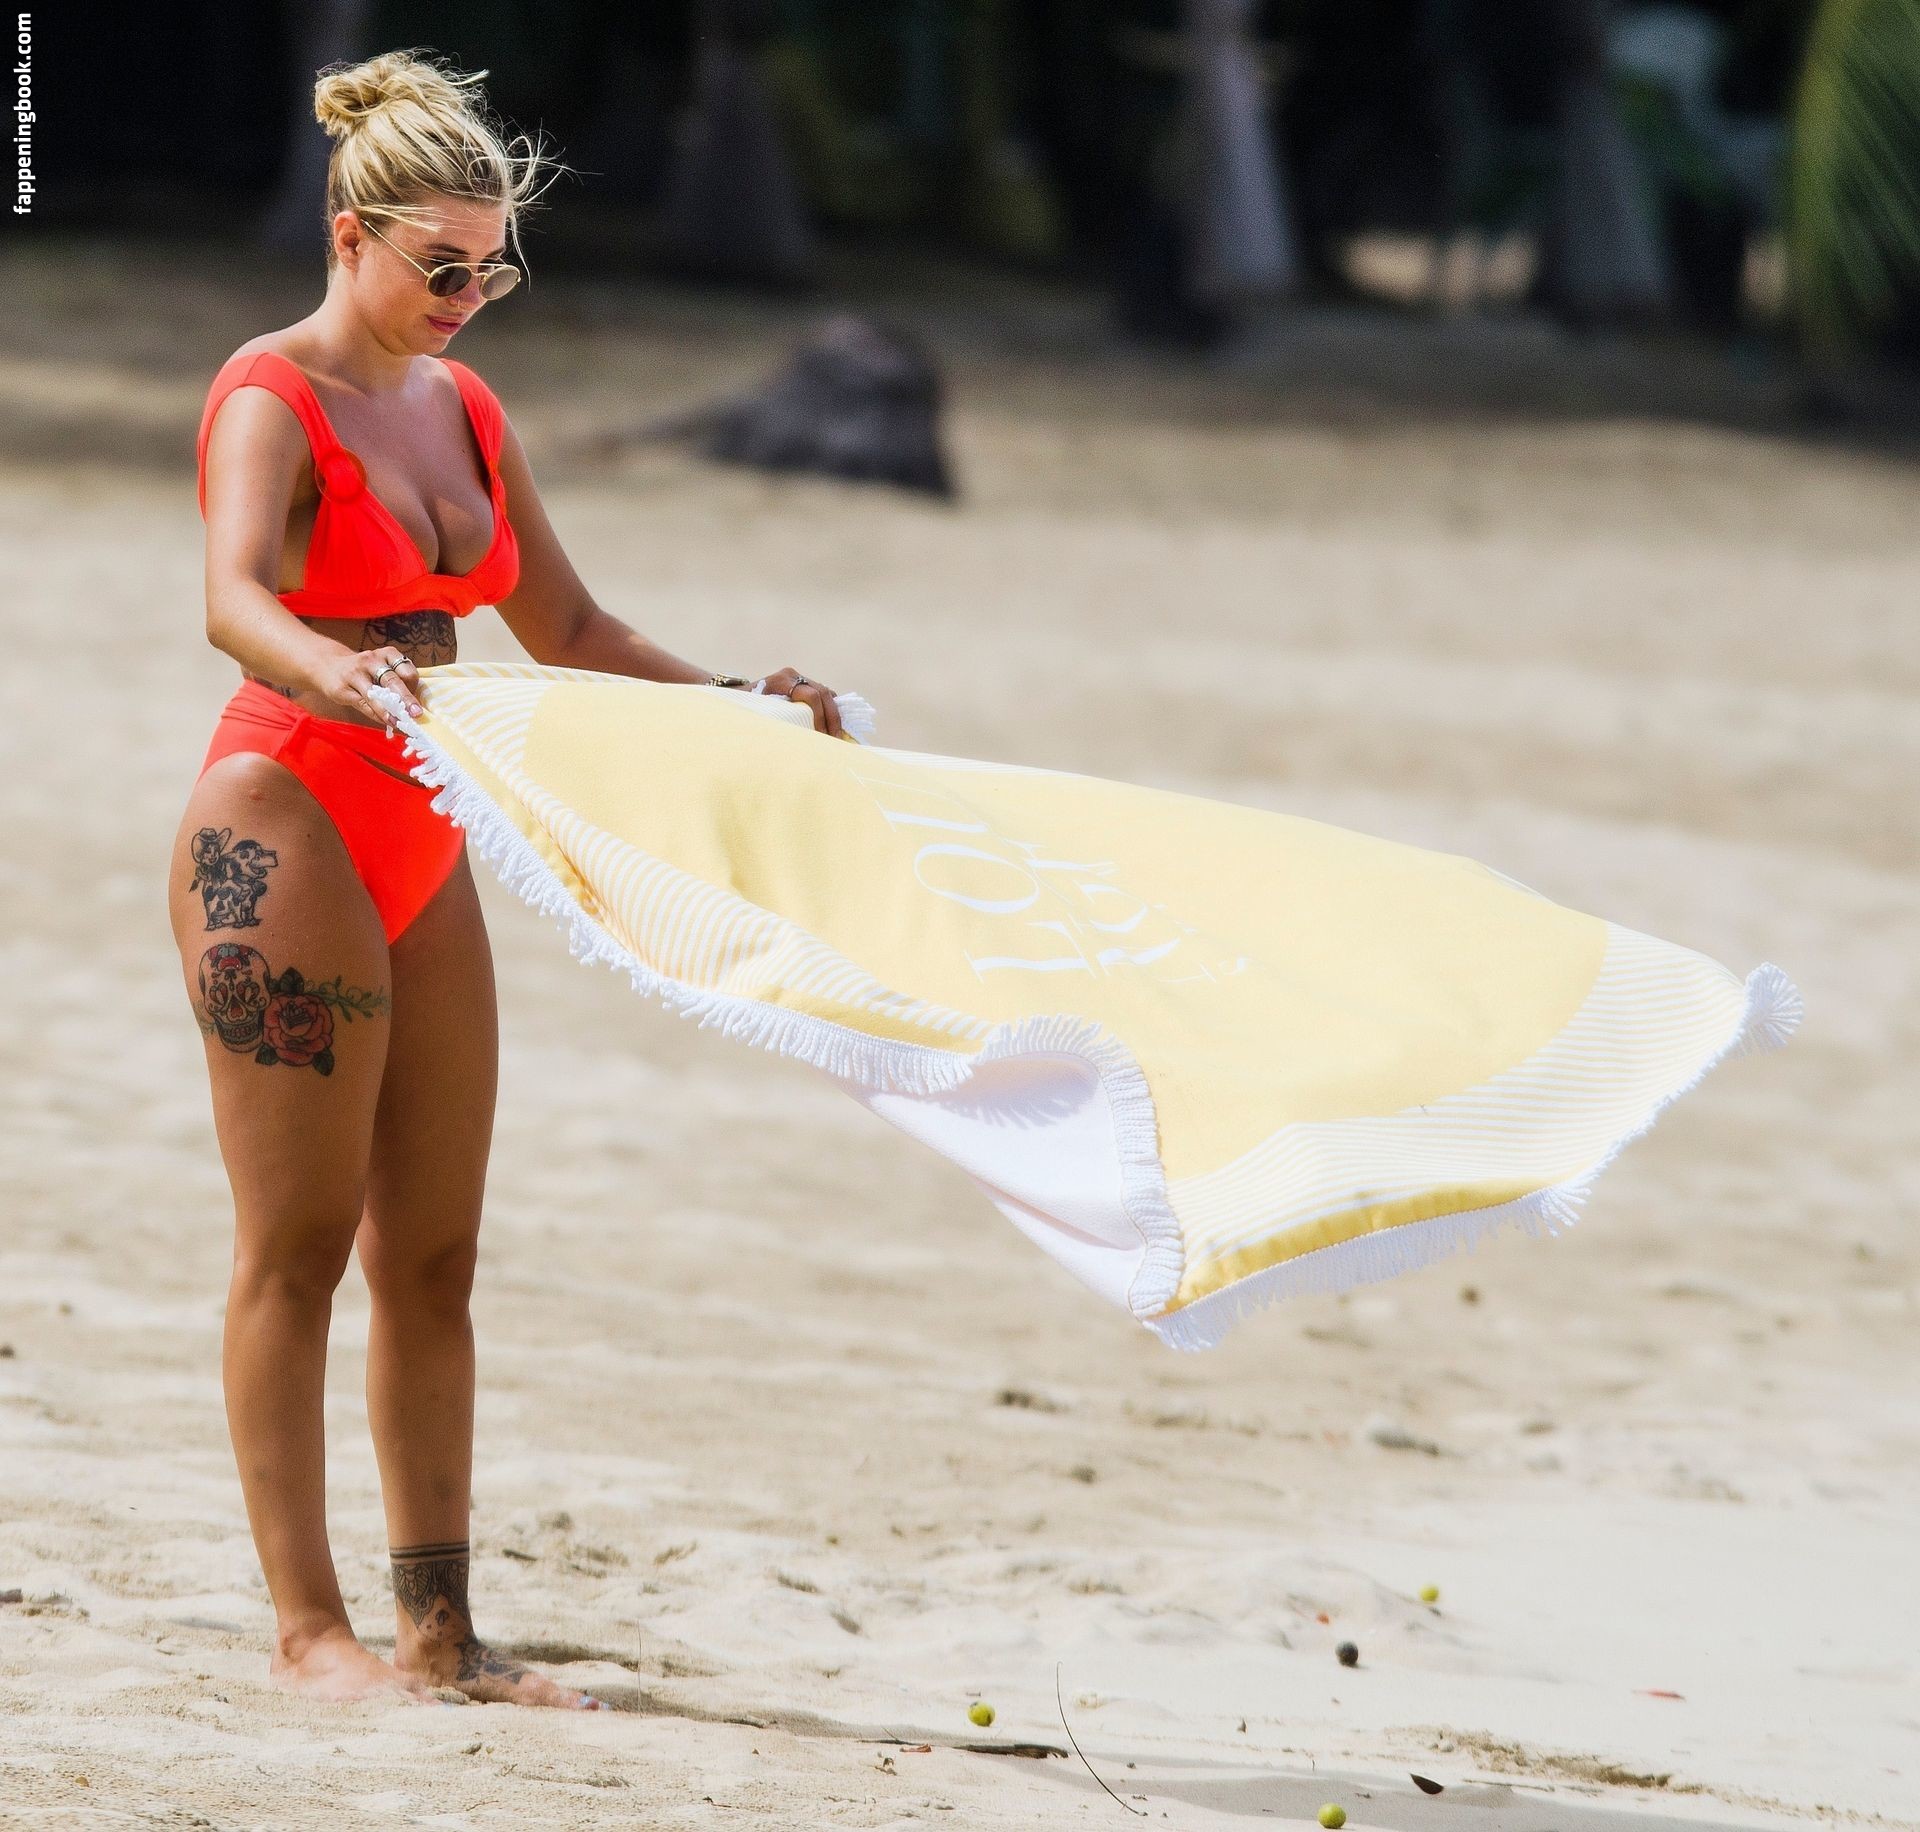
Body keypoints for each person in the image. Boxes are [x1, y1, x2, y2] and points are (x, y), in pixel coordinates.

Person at [170, 46, 841, 1706]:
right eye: (440, 266)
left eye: (492, 270)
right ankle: (310, 1635)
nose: (468, 300)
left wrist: (743, 705)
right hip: (283, 813)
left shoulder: (463, 407)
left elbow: (572, 627)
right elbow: (233, 598)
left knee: (436, 1256)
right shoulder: (269, 392)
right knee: (298, 1246)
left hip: (423, 825)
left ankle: (441, 1635)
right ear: (349, 237)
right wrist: (337, 669)